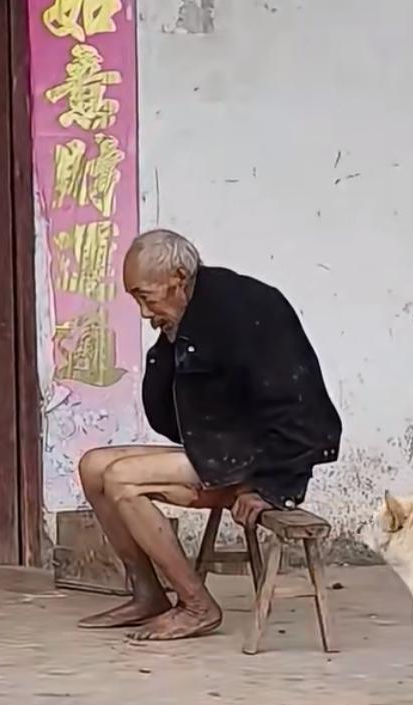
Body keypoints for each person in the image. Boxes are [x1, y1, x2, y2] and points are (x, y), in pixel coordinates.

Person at [77, 230, 342, 640]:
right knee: (94, 466)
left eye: (146, 297)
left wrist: (273, 487)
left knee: (121, 479)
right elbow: (167, 417)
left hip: (255, 463)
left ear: (179, 277)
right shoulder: (187, 315)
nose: (144, 312)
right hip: (219, 452)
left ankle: (197, 605)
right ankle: (148, 593)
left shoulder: (249, 308)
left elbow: (304, 410)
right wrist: (167, 342)